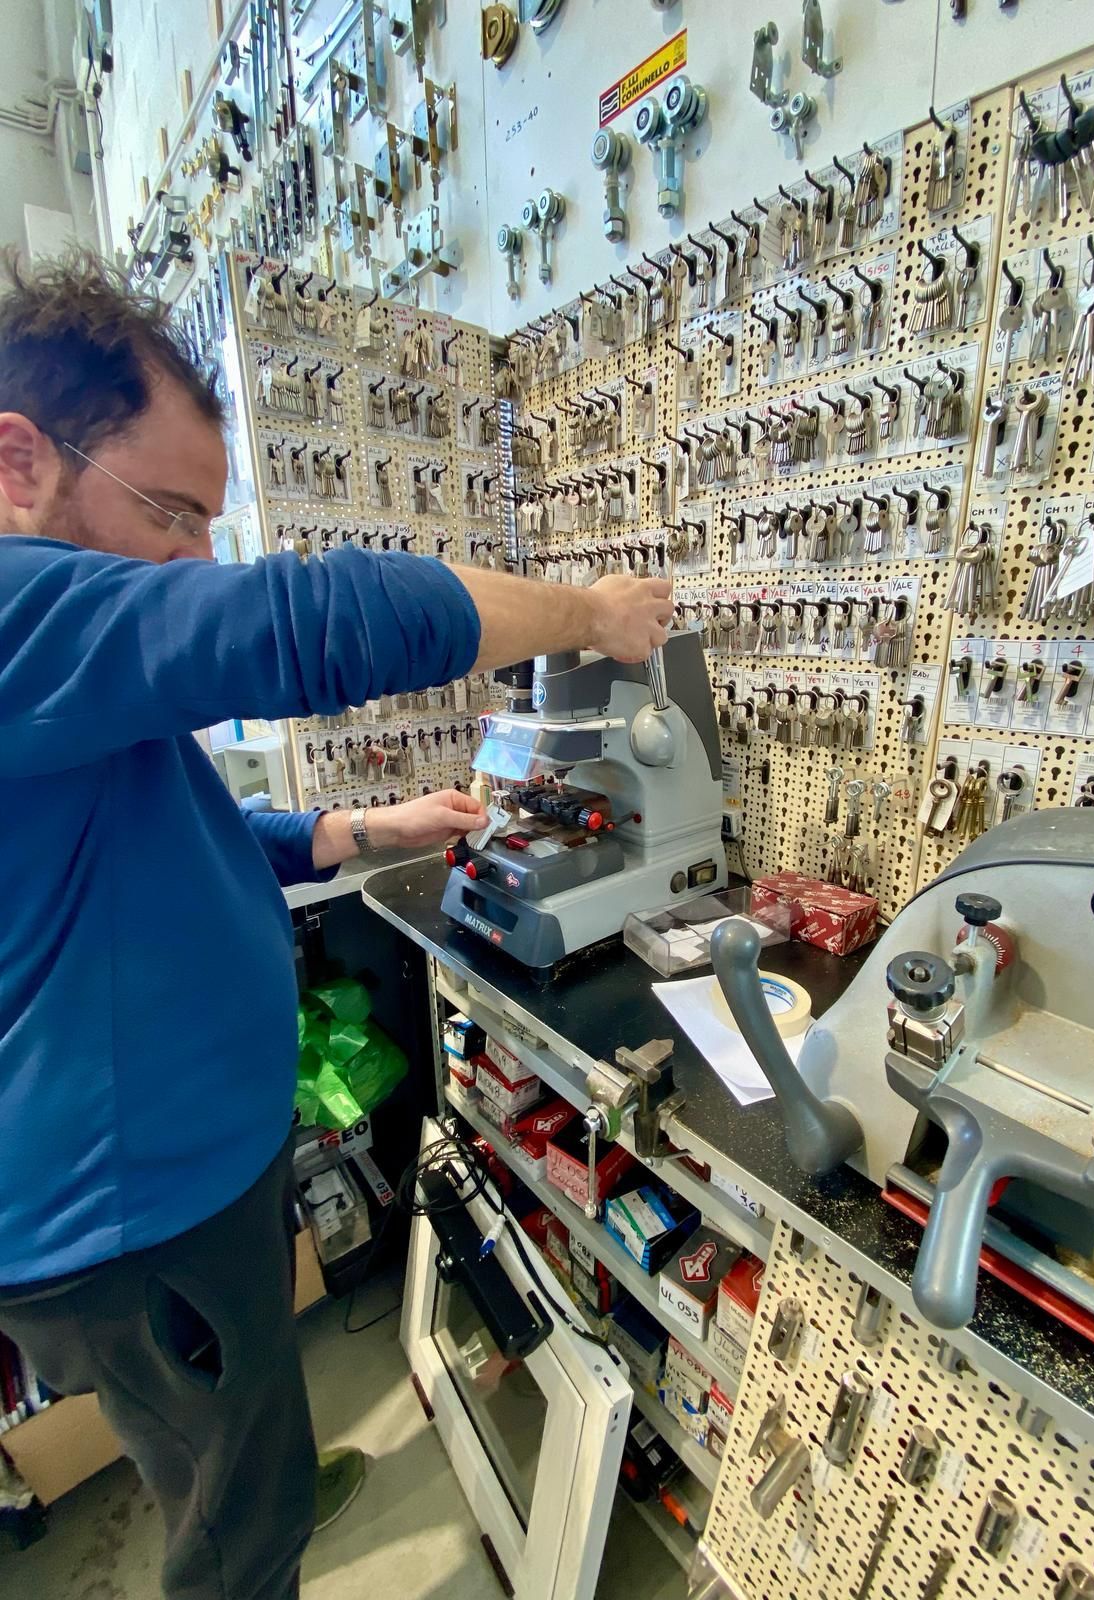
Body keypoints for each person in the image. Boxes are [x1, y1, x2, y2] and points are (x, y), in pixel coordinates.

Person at [0, 253, 673, 1600]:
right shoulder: (20, 614)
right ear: (20, 465)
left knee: (216, 1444)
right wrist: (589, 615)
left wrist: (364, 829)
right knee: (234, 1535)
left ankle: (264, 1483)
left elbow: (165, 835)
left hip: (173, 1191)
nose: (197, 556)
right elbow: (312, 621)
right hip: (136, 1219)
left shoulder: (63, 682)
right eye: (174, 513)